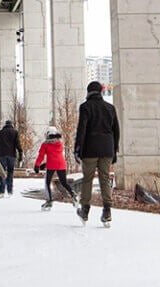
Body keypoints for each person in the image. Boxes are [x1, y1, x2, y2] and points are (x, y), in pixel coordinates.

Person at [74, 81, 120, 226]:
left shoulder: (85, 107)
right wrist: (114, 150)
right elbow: (116, 131)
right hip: (107, 149)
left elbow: (82, 129)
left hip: (90, 149)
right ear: (100, 92)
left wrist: (77, 149)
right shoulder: (110, 108)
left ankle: (85, 211)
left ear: (89, 92)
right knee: (104, 179)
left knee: (87, 179)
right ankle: (107, 211)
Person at [34, 126, 77, 211]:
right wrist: (45, 164)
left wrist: (37, 165)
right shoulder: (59, 143)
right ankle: (74, 195)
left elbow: (41, 156)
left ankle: (49, 201)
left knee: (47, 183)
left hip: (51, 166)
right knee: (64, 182)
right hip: (61, 164)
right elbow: (55, 156)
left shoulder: (45, 144)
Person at [0, 120, 23, 196]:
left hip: (2, 155)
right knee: (10, 172)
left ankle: (2, 190)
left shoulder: (0, 133)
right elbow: (18, 143)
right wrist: (20, 152)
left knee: (2, 172)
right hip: (12, 155)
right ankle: (10, 190)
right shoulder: (15, 132)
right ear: (11, 125)